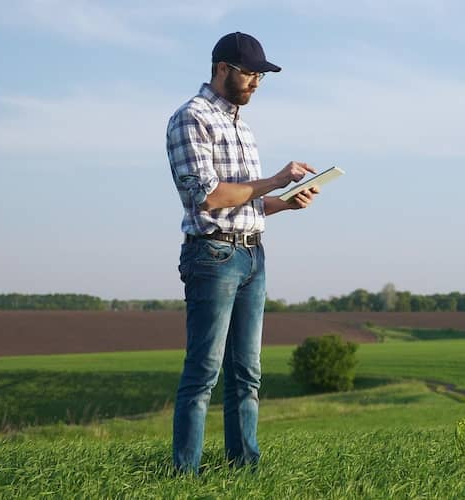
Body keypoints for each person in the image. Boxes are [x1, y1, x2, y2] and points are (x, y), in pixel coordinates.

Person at [166, 31, 320, 474]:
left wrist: (285, 203)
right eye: (250, 73)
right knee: (203, 375)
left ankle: (244, 470)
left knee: (247, 375)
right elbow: (208, 197)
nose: (256, 82)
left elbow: (245, 199)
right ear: (221, 69)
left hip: (253, 256)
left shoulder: (241, 126)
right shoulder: (190, 118)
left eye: (260, 76)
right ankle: (184, 474)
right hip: (212, 258)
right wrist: (274, 181)